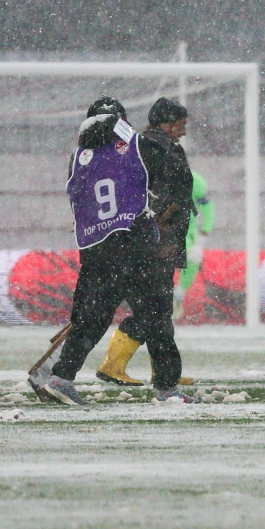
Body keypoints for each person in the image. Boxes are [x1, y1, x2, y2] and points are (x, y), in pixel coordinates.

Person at [43, 97, 192, 405]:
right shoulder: (138, 146)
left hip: (95, 247)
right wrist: (167, 216)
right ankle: (166, 387)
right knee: (156, 316)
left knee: (92, 318)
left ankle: (60, 377)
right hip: (133, 244)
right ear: (122, 122)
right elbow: (181, 175)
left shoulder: (78, 156)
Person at [95, 97, 197, 388]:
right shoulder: (158, 148)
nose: (184, 131)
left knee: (156, 310)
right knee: (155, 310)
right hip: (155, 242)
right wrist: (161, 232)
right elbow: (160, 195)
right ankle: (117, 366)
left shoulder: (144, 145)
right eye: (182, 124)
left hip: (150, 239)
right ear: (168, 122)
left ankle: (161, 372)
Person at [172, 170, 215, 320]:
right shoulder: (153, 178)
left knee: (193, 257)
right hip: (159, 229)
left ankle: (178, 294)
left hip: (186, 231)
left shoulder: (196, 182)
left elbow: (208, 210)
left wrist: (203, 235)